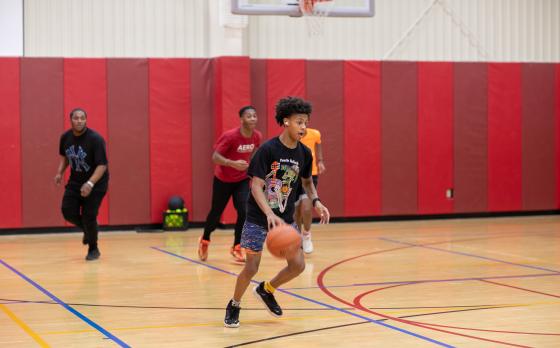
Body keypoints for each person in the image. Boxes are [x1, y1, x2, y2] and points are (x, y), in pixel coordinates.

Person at [224, 96, 330, 328]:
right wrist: (268, 214)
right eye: (299, 122)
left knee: (298, 265)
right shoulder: (268, 150)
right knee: (251, 267)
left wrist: (316, 201)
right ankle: (234, 304)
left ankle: (266, 289)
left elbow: (307, 181)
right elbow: (255, 186)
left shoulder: (304, 153)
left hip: (283, 221)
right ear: (285, 121)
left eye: (306, 123)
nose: (303, 127)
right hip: (256, 219)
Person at [198, 106, 262, 262]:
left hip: (241, 179)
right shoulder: (230, 136)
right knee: (216, 212)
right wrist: (232, 163)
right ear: (241, 119)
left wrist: (251, 168)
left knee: (244, 211)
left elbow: (254, 153)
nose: (253, 118)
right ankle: (205, 240)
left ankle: (237, 246)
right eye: (249, 116)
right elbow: (215, 157)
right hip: (223, 180)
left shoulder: (257, 136)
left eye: (254, 115)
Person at [54, 108, 109, 261]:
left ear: (86, 120)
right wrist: (59, 172)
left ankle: (93, 248)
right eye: (76, 118)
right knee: (67, 211)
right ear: (71, 120)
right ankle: (88, 228)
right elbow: (65, 157)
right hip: (75, 180)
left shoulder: (95, 139)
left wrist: (90, 183)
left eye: (82, 118)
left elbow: (102, 165)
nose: (79, 120)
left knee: (89, 215)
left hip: (96, 182)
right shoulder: (65, 137)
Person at [294, 127, 325, 253]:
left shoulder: (315, 133)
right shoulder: (293, 135)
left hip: (310, 175)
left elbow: (318, 146)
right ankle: (296, 238)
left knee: (307, 208)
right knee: (296, 210)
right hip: (294, 175)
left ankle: (306, 235)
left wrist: (320, 161)